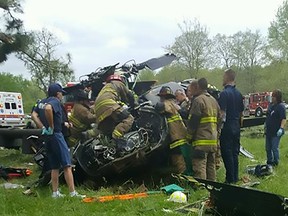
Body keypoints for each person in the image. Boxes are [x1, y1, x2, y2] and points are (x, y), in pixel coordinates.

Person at [31, 83, 85, 198]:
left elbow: (34, 115)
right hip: (56, 135)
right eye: (61, 93)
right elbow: (48, 109)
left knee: (54, 166)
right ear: (58, 93)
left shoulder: (41, 102)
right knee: (67, 165)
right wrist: (51, 126)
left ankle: (55, 193)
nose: (61, 96)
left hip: (47, 137)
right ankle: (72, 193)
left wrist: (43, 127)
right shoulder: (54, 102)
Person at [186, 78, 221, 181]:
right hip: (213, 140)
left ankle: (201, 188)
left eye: (191, 88)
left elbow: (193, 121)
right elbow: (220, 119)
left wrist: (188, 137)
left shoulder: (198, 100)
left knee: (199, 166)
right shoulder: (213, 100)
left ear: (197, 87)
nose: (190, 91)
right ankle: (212, 187)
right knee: (211, 166)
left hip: (201, 141)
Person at [155, 86, 192, 175]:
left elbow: (160, 107)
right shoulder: (175, 104)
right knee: (183, 160)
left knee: (180, 161)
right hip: (180, 137)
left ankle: (186, 181)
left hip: (177, 138)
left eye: (161, 97)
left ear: (164, 96)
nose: (160, 99)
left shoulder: (168, 103)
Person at [218, 69, 244, 184]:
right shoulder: (239, 94)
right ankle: (235, 177)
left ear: (228, 77)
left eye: (224, 77)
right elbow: (241, 113)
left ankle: (230, 179)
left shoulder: (224, 94)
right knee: (235, 152)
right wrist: (239, 126)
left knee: (226, 152)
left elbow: (222, 113)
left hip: (227, 126)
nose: (222, 79)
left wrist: (219, 127)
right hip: (236, 126)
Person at [94, 74, 135, 141]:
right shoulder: (119, 83)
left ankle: (109, 145)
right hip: (109, 104)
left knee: (109, 130)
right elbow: (129, 96)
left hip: (98, 110)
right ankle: (115, 139)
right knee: (129, 118)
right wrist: (135, 104)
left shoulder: (105, 87)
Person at [265, 89, 286, 166]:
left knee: (274, 148)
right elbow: (268, 115)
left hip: (276, 131)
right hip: (269, 131)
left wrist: (281, 128)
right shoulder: (271, 105)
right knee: (268, 148)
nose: (272, 98)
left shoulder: (281, 107)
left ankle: (276, 162)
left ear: (277, 97)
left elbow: (283, 118)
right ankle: (269, 161)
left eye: (273, 96)